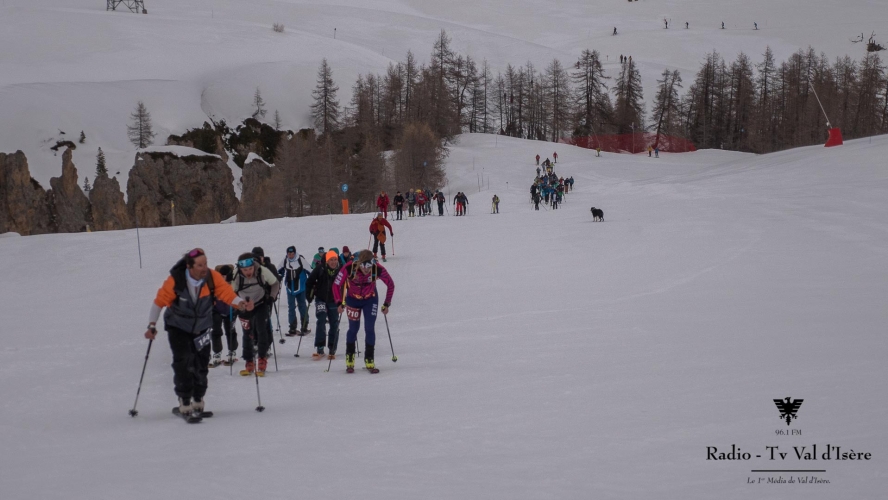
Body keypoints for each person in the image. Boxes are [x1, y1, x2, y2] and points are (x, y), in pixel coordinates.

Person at [146, 248, 247, 417]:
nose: (204, 268)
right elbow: (159, 302)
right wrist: (151, 325)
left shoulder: (212, 277)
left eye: (206, 263)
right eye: (200, 265)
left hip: (202, 327)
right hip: (178, 327)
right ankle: (184, 400)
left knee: (201, 364)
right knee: (183, 362)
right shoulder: (176, 280)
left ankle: (198, 398)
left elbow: (225, 292)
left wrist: (240, 303)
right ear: (189, 266)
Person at [333, 250, 396, 373]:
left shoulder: (377, 268)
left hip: (370, 300)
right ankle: (350, 359)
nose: (366, 269)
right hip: (352, 299)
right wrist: (338, 302)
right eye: (363, 266)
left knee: (369, 328)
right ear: (358, 263)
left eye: (369, 266)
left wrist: (387, 303)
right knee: (353, 329)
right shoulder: (349, 267)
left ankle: (369, 359)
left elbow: (391, 284)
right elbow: (336, 285)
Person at [231, 252, 280, 376]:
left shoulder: (262, 271)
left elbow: (275, 283)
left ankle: (262, 358)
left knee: (261, 329)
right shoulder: (236, 275)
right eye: (245, 269)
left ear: (254, 266)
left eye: (250, 269)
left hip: (261, 304)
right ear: (240, 268)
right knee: (247, 332)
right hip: (244, 305)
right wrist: (240, 305)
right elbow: (230, 293)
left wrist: (272, 298)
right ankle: (249, 361)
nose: (248, 272)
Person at [306, 250, 342, 360]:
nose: (333, 262)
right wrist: (309, 296)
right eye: (331, 260)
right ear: (327, 260)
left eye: (335, 259)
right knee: (321, 319)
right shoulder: (320, 268)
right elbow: (309, 282)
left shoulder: (340, 270)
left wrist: (343, 301)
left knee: (334, 323)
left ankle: (332, 348)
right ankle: (320, 347)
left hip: (334, 300)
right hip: (321, 299)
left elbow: (346, 285)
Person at [210, 264, 238, 367]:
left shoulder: (234, 283)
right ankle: (217, 353)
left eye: (224, 275)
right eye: (221, 275)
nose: (222, 277)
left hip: (230, 310)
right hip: (216, 310)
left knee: (230, 330)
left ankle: (232, 351)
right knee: (216, 330)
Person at [278, 245, 310, 335]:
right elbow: (278, 270)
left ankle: (304, 326)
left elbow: (310, 270)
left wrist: (312, 282)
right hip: (290, 288)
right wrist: (279, 277)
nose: (290, 255)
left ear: (295, 253)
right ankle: (292, 328)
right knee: (291, 308)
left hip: (301, 288)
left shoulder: (300, 260)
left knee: (302, 306)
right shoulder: (285, 260)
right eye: (289, 254)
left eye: (292, 253)